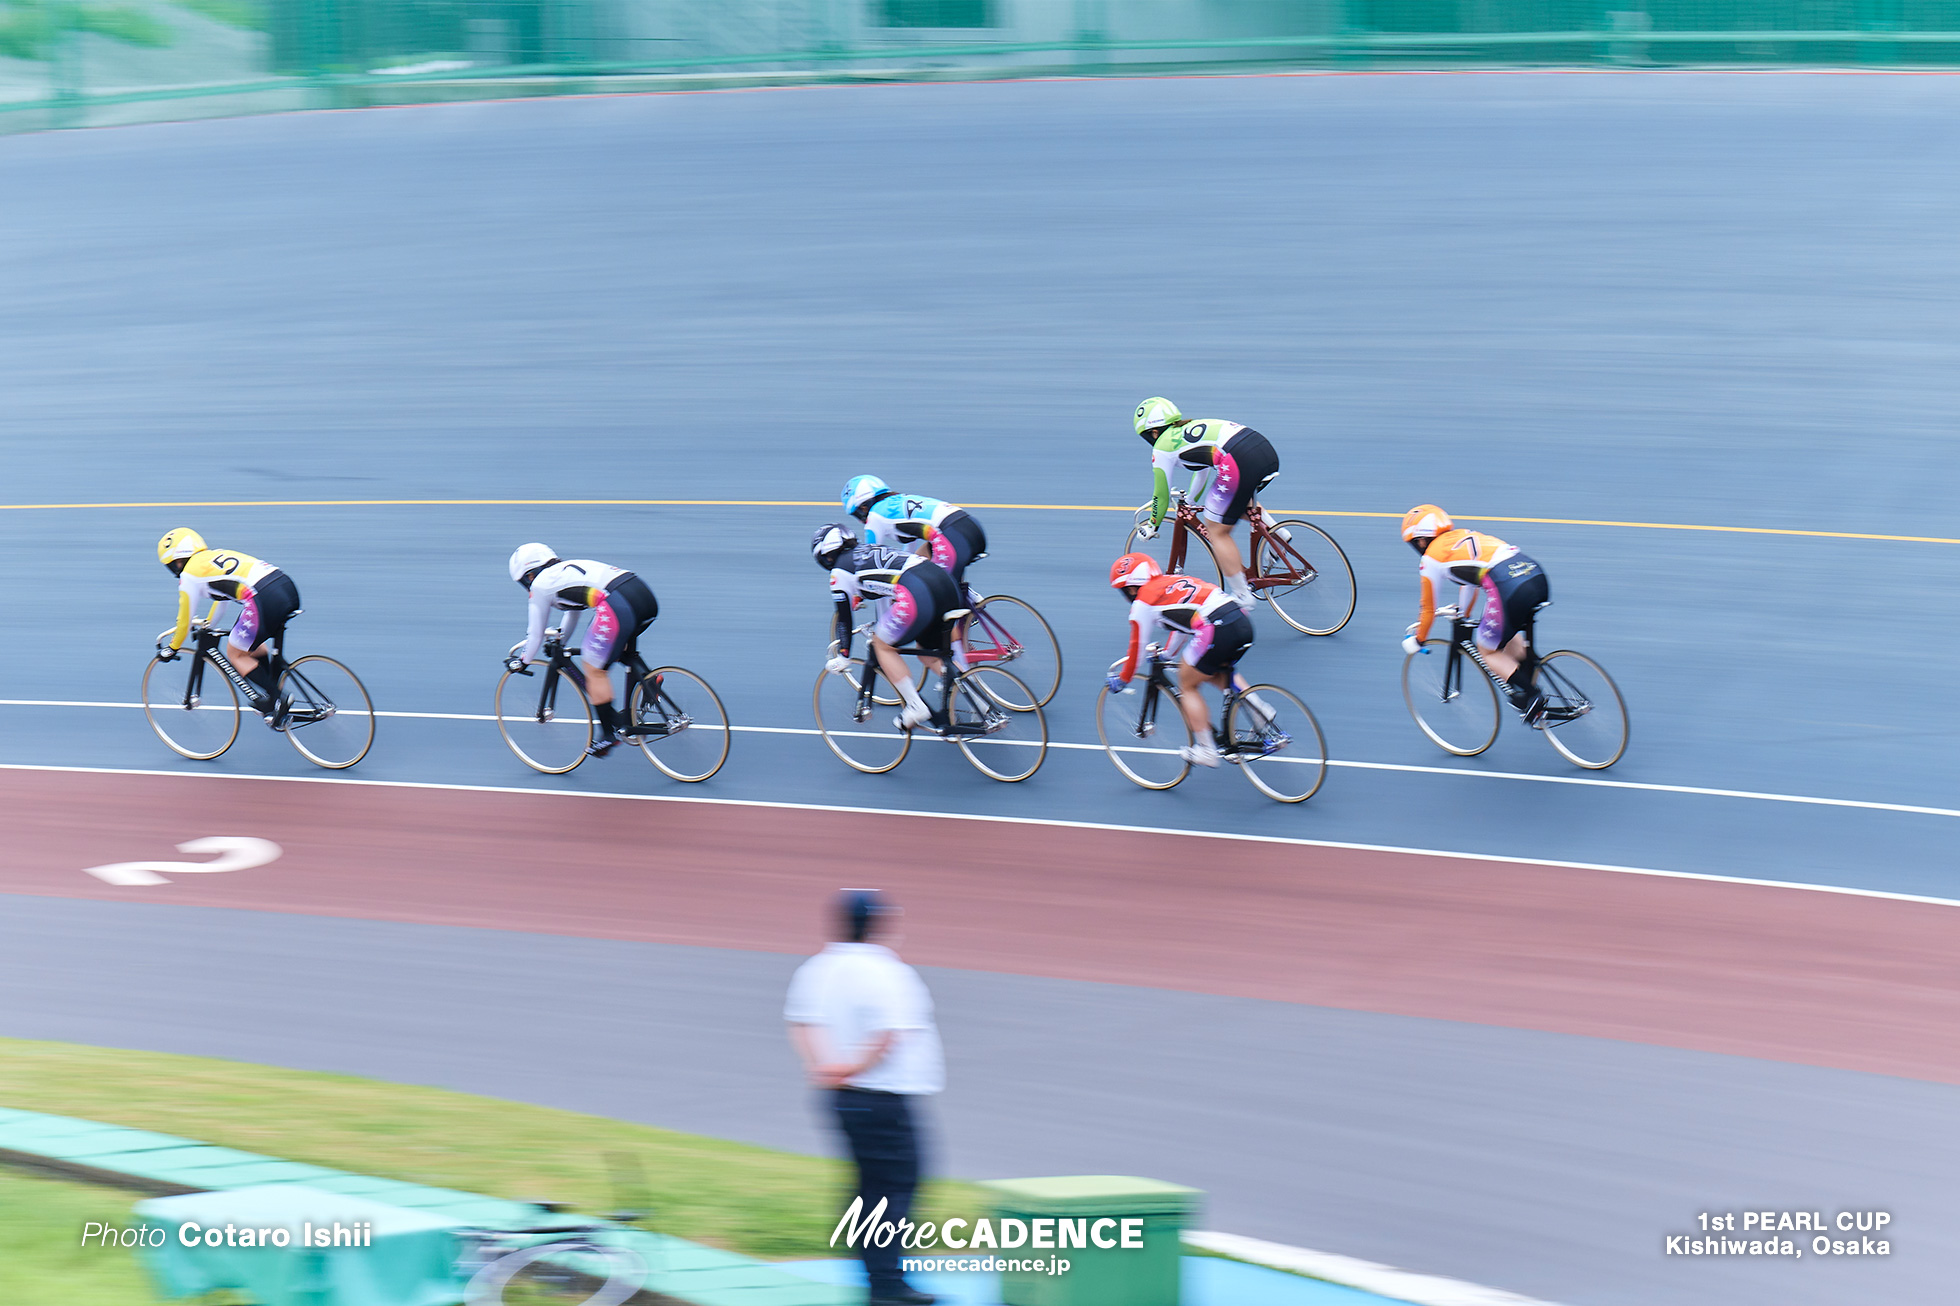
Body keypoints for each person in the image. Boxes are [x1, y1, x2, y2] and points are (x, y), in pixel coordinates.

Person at [785, 889, 942, 1306]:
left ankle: (876, 1276)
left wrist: (826, 1066)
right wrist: (851, 1068)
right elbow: (888, 1035)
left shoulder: (818, 966)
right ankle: (888, 1284)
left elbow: (802, 1023)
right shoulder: (885, 970)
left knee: (867, 1185)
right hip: (884, 1097)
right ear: (878, 925)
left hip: (839, 1097)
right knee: (894, 1188)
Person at [1104, 552, 1269, 768]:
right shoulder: (1171, 581)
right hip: (1241, 621)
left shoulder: (1142, 603)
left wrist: (1124, 678)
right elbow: (1182, 626)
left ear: (1131, 588)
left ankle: (1207, 750)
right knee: (1213, 671)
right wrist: (1167, 655)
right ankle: (1261, 712)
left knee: (1187, 682)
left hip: (1217, 627)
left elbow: (1137, 649)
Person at [1399, 505, 1560, 723]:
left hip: (1509, 587)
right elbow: (1469, 584)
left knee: (1487, 650)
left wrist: (1419, 639)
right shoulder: (1463, 535)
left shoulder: (1430, 559)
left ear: (1420, 540)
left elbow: (1427, 608)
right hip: (1534, 574)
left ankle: (1532, 696)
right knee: (1506, 631)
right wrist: (1463, 615)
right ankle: (1527, 675)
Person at [505, 543, 659, 758]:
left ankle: (608, 734)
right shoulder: (566, 569)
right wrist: (561, 638)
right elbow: (573, 610)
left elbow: (536, 633)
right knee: (619, 649)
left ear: (529, 575)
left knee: (593, 666)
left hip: (618, 604)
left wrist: (523, 661)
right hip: (640, 592)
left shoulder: (540, 585)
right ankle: (649, 682)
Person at [813, 522, 964, 733]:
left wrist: (844, 656)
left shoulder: (838, 574)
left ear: (826, 556)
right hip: (944, 584)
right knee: (928, 654)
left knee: (881, 646)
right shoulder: (869, 549)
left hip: (918, 592)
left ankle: (915, 706)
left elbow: (844, 619)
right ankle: (980, 700)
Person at [1131, 397, 1280, 606]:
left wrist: (1153, 524)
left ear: (1153, 433)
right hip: (1261, 448)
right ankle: (1279, 535)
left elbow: (1161, 495)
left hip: (1238, 460)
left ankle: (1241, 595)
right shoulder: (1188, 428)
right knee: (1235, 500)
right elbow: (1201, 472)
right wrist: (1190, 501)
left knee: (1216, 529)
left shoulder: (1162, 447)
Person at [154, 528, 299, 723]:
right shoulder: (213, 557)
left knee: (235, 653)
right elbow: (223, 599)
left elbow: (184, 620)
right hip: (284, 585)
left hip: (263, 598)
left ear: (176, 562)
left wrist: (172, 648)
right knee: (252, 645)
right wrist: (209, 625)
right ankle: (272, 692)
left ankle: (278, 698)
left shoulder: (188, 575)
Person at [841, 475, 989, 590]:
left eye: (858, 514)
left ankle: (957, 621)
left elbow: (872, 561)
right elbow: (911, 555)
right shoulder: (898, 502)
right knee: (921, 560)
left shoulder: (875, 516)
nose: (860, 521)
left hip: (953, 536)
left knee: (940, 600)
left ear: (864, 506)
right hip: (968, 527)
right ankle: (973, 603)